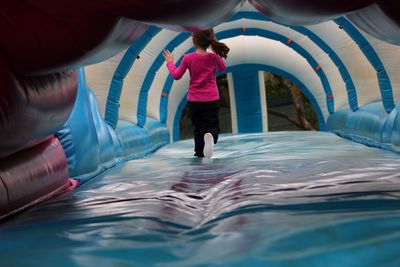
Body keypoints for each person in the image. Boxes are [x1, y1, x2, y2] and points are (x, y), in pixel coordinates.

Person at [163, 29, 229, 158]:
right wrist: (215, 52)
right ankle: (211, 136)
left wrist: (170, 62)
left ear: (194, 41)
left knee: (198, 129)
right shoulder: (213, 57)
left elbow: (176, 75)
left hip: (195, 101)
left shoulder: (188, 58)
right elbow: (222, 67)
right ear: (209, 41)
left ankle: (199, 153)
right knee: (212, 125)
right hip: (211, 99)